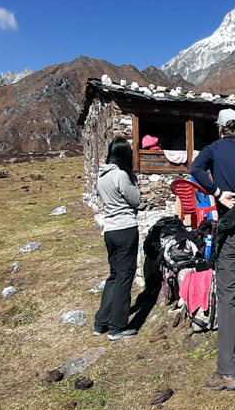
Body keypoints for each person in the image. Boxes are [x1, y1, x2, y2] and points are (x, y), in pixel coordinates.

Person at [190, 109, 235, 391]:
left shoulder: (213, 149)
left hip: (230, 231)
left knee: (229, 297)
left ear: (220, 128)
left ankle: (227, 372)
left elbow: (195, 169)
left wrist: (217, 192)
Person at [94, 137, 142, 341]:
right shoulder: (120, 176)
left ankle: (101, 321)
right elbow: (136, 200)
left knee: (114, 276)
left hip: (110, 230)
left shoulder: (101, 177)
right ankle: (118, 326)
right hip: (125, 228)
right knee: (124, 277)